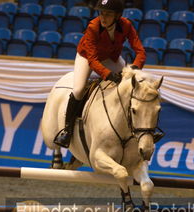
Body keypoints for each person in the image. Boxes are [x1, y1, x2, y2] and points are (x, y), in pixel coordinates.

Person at [54, 0, 146, 148]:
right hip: (87, 57)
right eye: (101, 13)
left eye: (108, 14)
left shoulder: (126, 25)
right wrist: (108, 74)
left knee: (130, 85)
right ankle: (67, 130)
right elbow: (92, 59)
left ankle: (134, 129)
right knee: (78, 90)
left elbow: (140, 51)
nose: (103, 17)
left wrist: (135, 67)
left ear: (117, 16)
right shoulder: (93, 27)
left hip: (110, 57)